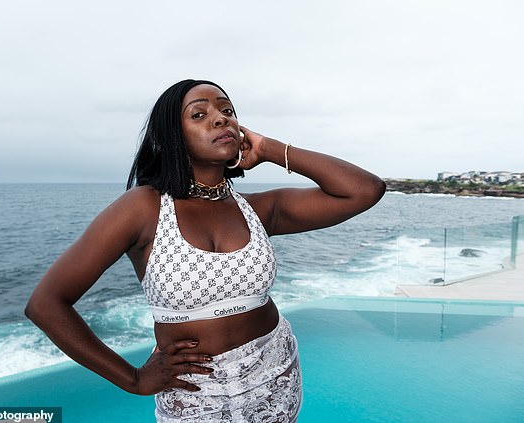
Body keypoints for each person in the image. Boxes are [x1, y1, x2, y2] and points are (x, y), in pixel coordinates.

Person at [25, 79, 386, 422]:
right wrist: (132, 379)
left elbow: (364, 190)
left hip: (276, 373)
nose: (220, 117)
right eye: (199, 114)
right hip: (196, 393)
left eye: (227, 110)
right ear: (172, 136)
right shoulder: (143, 208)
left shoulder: (257, 209)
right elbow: (46, 304)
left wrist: (269, 149)